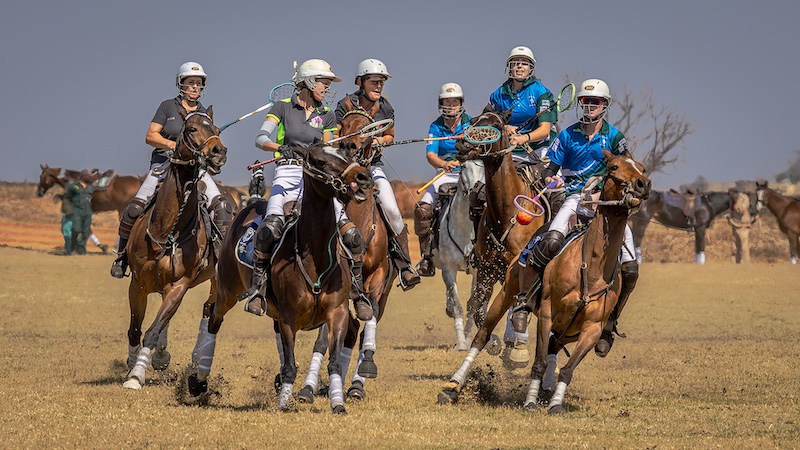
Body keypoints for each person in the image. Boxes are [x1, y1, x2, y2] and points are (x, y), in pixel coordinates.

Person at [510, 79, 639, 358]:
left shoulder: (615, 138)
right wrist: (552, 178)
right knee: (550, 241)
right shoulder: (567, 135)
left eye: (595, 102)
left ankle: (609, 323)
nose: (589, 106)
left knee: (631, 268)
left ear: (604, 106)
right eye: (585, 102)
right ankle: (525, 301)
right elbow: (549, 170)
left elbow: (628, 169)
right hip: (574, 199)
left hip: (606, 204)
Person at [237, 59, 343, 317]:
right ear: (308, 82)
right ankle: (258, 288)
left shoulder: (327, 114)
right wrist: (278, 147)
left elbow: (328, 148)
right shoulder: (282, 107)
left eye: (328, 85)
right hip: (286, 173)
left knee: (347, 227)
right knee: (269, 227)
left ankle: (355, 287)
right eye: (323, 83)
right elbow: (260, 138)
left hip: (316, 178)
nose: (326, 89)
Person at [110, 62, 233, 278]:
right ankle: (121, 256)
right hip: (164, 166)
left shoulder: (204, 113)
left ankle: (223, 262)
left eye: (199, 84)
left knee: (221, 206)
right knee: (135, 207)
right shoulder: (167, 107)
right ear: (181, 84)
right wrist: (172, 145)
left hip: (194, 170)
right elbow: (150, 136)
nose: (195, 87)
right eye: (191, 83)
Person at [333, 58, 421, 304]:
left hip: (374, 167)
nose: (379, 86)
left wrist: (377, 141)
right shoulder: (345, 104)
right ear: (360, 82)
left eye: (381, 81)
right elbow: (336, 132)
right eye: (374, 81)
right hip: (346, 169)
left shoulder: (386, 107)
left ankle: (405, 266)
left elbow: (390, 135)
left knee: (392, 210)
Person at [414, 82, 473, 276]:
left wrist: (464, 159)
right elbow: (430, 155)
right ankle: (426, 256)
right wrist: (444, 164)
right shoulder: (436, 126)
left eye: (454, 102)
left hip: (468, 173)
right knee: (422, 210)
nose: (450, 106)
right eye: (446, 102)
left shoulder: (471, 124)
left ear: (461, 103)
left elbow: (479, 149)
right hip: (444, 174)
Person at [486, 46, 557, 164]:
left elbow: (545, 130)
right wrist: (505, 127)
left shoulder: (542, 92)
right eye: (515, 63)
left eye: (524, 63)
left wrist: (524, 138)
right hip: (510, 148)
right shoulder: (498, 94)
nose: (519, 66)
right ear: (510, 68)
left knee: (551, 180)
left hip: (539, 148)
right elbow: (490, 124)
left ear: (531, 68)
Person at [65, 169, 94, 255]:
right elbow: (68, 196)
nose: (90, 178)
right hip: (77, 210)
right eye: (88, 176)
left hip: (87, 211)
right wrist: (68, 209)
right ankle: (73, 247)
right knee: (76, 229)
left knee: (86, 232)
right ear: (83, 176)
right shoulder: (73, 186)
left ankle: (81, 249)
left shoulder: (90, 187)